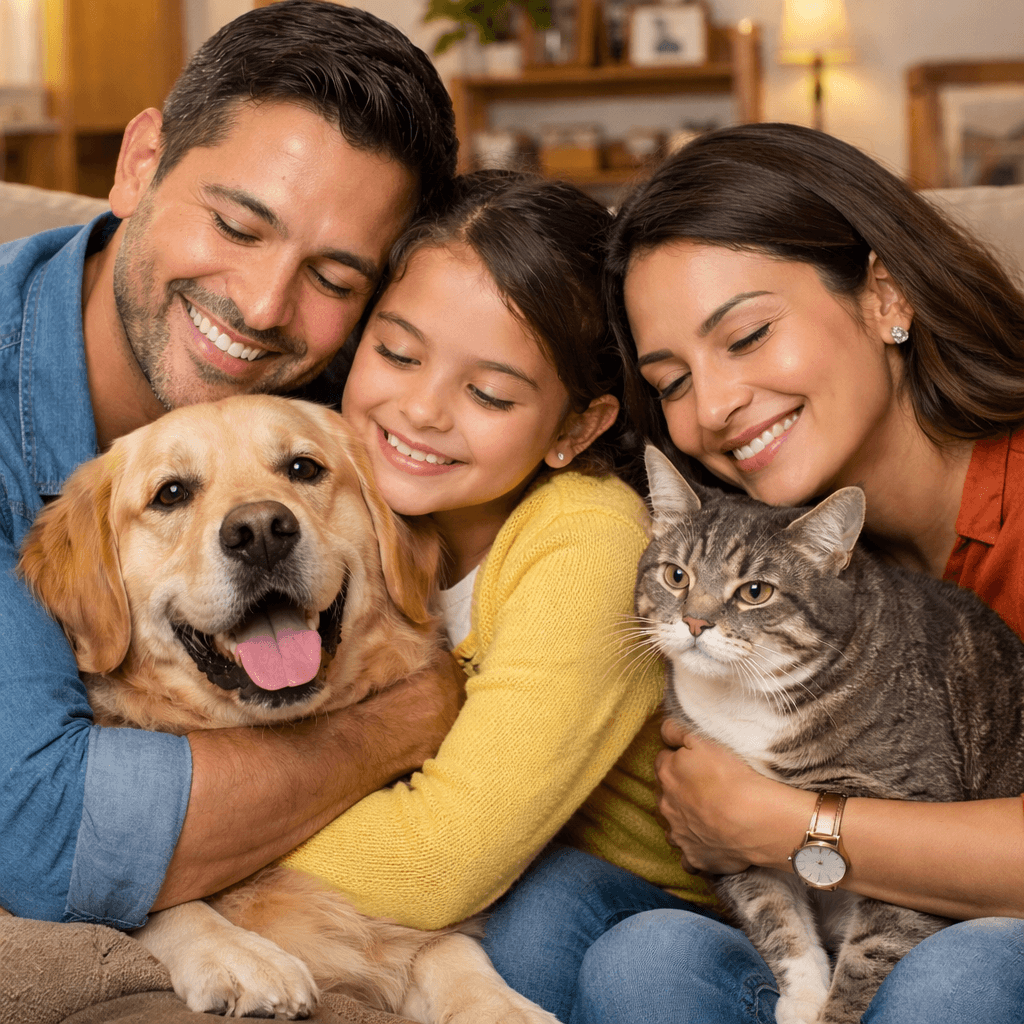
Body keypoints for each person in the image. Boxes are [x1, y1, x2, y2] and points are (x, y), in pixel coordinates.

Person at [483, 122, 1024, 1024]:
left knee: (958, 978)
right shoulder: (755, 549)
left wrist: (791, 823)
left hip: (974, 943)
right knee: (576, 931)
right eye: (673, 380)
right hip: (821, 910)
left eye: (747, 334)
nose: (717, 407)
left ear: (886, 295)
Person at [0, 0, 463, 929]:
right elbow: (43, 839)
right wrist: (405, 719)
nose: (260, 306)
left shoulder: (364, 396)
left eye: (334, 278)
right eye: (239, 227)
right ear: (141, 165)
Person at [277, 170, 715, 947]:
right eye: (398, 352)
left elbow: (435, 864)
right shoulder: (326, 485)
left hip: (654, 912)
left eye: (490, 396)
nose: (421, 410)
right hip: (505, 879)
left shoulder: (589, 542)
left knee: (534, 922)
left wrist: (179, 848)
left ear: (574, 431)